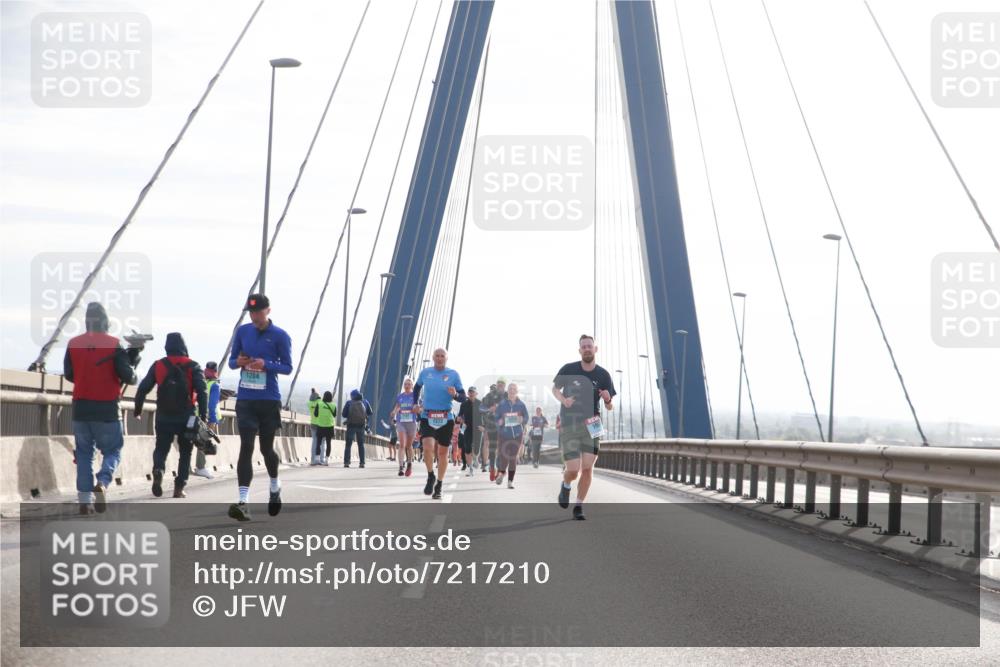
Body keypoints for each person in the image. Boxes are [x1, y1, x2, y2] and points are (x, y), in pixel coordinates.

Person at [63, 302, 138, 514]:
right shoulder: (114, 344)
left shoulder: (73, 343)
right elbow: (129, 378)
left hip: (81, 409)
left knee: (84, 454)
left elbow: (69, 374)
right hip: (107, 410)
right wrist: (133, 359)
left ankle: (84, 502)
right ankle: (103, 483)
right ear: (106, 321)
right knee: (113, 450)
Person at [227, 293, 293, 522]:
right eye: (251, 312)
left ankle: (275, 486)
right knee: (246, 447)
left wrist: (267, 364)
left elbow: (287, 367)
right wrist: (241, 363)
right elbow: (232, 361)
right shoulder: (243, 331)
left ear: (268, 311)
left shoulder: (281, 336)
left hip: (268, 400)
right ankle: (243, 502)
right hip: (245, 398)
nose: (254, 316)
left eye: (258, 312)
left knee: (266, 449)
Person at [134, 333, 208, 499]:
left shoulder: (158, 365)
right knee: (185, 452)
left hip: (163, 416)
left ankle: (158, 469)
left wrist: (137, 410)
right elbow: (202, 392)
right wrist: (203, 416)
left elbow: (142, 389)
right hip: (186, 418)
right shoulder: (193, 366)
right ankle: (179, 487)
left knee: (161, 448)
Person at [552, 334, 616, 520]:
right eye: (584, 346)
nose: (587, 349)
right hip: (570, 424)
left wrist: (608, 399)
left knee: (587, 468)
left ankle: (579, 506)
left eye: (590, 346)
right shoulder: (569, 369)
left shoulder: (604, 375)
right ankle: (566, 485)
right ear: (580, 350)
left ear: (595, 349)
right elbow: (555, 388)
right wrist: (564, 400)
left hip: (593, 425)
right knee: (573, 469)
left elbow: (610, 407)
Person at [413, 348, 466, 500]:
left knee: (442, 453)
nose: (440, 358)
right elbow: (416, 388)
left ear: (446, 358)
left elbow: (463, 397)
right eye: (437, 356)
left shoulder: (453, 374)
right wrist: (415, 403)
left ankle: (440, 484)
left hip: (446, 417)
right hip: (427, 415)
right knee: (428, 448)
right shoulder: (425, 372)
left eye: (442, 356)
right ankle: (431, 475)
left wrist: (455, 394)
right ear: (433, 357)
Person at [494, 383, 529, 489]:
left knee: (513, 458)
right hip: (504, 434)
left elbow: (526, 417)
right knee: (504, 456)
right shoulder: (502, 404)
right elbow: (496, 419)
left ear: (517, 391)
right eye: (510, 389)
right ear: (507, 391)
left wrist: (521, 419)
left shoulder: (521, 405)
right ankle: (501, 474)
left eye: (514, 389)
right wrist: (500, 421)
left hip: (517, 434)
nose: (512, 391)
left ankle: (510, 481)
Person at [193, 361, 222, 479]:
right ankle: (201, 467)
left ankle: (194, 466)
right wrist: (212, 420)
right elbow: (212, 405)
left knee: (195, 440)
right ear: (216, 372)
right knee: (204, 441)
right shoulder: (215, 385)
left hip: (196, 415)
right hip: (208, 418)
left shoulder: (201, 381)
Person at [390, 377, 417, 477]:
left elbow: (420, 407)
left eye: (409, 384)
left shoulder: (415, 396)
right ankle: (401, 467)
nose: (407, 386)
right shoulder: (400, 396)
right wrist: (394, 412)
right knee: (402, 445)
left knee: (409, 446)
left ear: (412, 386)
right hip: (401, 422)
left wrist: (417, 409)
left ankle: (409, 463)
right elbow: (398, 406)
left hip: (411, 423)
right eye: (405, 384)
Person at [480, 380, 506, 479]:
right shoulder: (488, 397)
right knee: (492, 448)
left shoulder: (506, 396)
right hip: (491, 426)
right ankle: (492, 468)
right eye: (498, 386)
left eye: (501, 385)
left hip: (503, 426)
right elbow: (481, 408)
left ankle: (499, 469)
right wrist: (489, 409)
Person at [342, 388, 372, 468]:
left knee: (348, 445)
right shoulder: (365, 402)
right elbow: (370, 412)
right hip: (361, 426)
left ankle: (346, 462)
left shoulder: (349, 403)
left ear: (353, 396)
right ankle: (362, 463)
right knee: (361, 445)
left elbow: (344, 414)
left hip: (351, 426)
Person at [457, 386, 480, 476]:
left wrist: (484, 426)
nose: (471, 393)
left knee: (477, 450)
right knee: (467, 449)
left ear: (476, 393)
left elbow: (486, 416)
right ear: (468, 393)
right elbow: (459, 416)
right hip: (467, 428)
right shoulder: (464, 404)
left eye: (473, 392)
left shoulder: (480, 403)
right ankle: (470, 469)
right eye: (470, 392)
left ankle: (476, 458)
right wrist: (459, 419)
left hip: (478, 428)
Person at [312, 391, 336, 465]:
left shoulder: (319, 404)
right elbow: (334, 415)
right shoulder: (333, 405)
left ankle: (317, 459)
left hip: (320, 426)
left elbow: (315, 414)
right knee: (328, 443)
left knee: (318, 443)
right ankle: (326, 460)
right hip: (330, 426)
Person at [307, 388, 322, 465]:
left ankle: (312, 460)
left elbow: (310, 400)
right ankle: (321, 459)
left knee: (314, 442)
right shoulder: (320, 402)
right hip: (320, 424)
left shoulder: (309, 403)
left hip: (313, 424)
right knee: (322, 443)